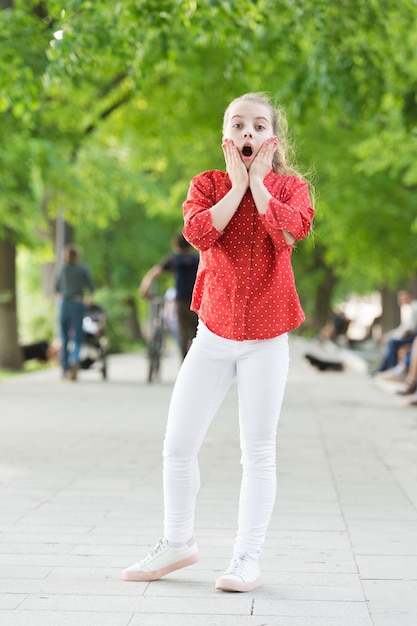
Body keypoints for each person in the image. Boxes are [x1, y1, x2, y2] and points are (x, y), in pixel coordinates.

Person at [123, 93, 314, 592]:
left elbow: (291, 234)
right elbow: (199, 233)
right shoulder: (206, 186)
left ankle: (246, 558)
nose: (247, 132)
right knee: (179, 443)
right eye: (238, 125)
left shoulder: (293, 189)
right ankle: (177, 542)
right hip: (213, 336)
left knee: (259, 451)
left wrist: (260, 185)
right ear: (226, 137)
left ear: (272, 138)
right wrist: (237, 187)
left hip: (266, 342)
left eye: (258, 125)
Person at [139, 233, 199, 359]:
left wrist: (144, 290)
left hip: (181, 301)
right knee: (196, 334)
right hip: (197, 301)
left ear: (175, 245)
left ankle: (184, 362)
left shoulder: (173, 259)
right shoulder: (197, 259)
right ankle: (196, 359)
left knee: (182, 332)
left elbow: (154, 273)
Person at [55, 243, 95, 380]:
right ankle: (74, 359)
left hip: (64, 304)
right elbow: (91, 287)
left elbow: (56, 289)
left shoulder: (62, 269)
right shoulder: (82, 269)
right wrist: (89, 299)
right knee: (78, 337)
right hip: (78, 303)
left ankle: (65, 369)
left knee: (64, 337)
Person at [374, 290, 417, 375]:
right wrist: (390, 334)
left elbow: (410, 328)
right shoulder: (409, 308)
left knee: (392, 342)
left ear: (408, 296)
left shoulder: (414, 308)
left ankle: (392, 369)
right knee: (390, 340)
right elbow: (403, 327)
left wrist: (395, 335)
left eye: (402, 297)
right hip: (409, 335)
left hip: (411, 337)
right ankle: (386, 368)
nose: (400, 300)